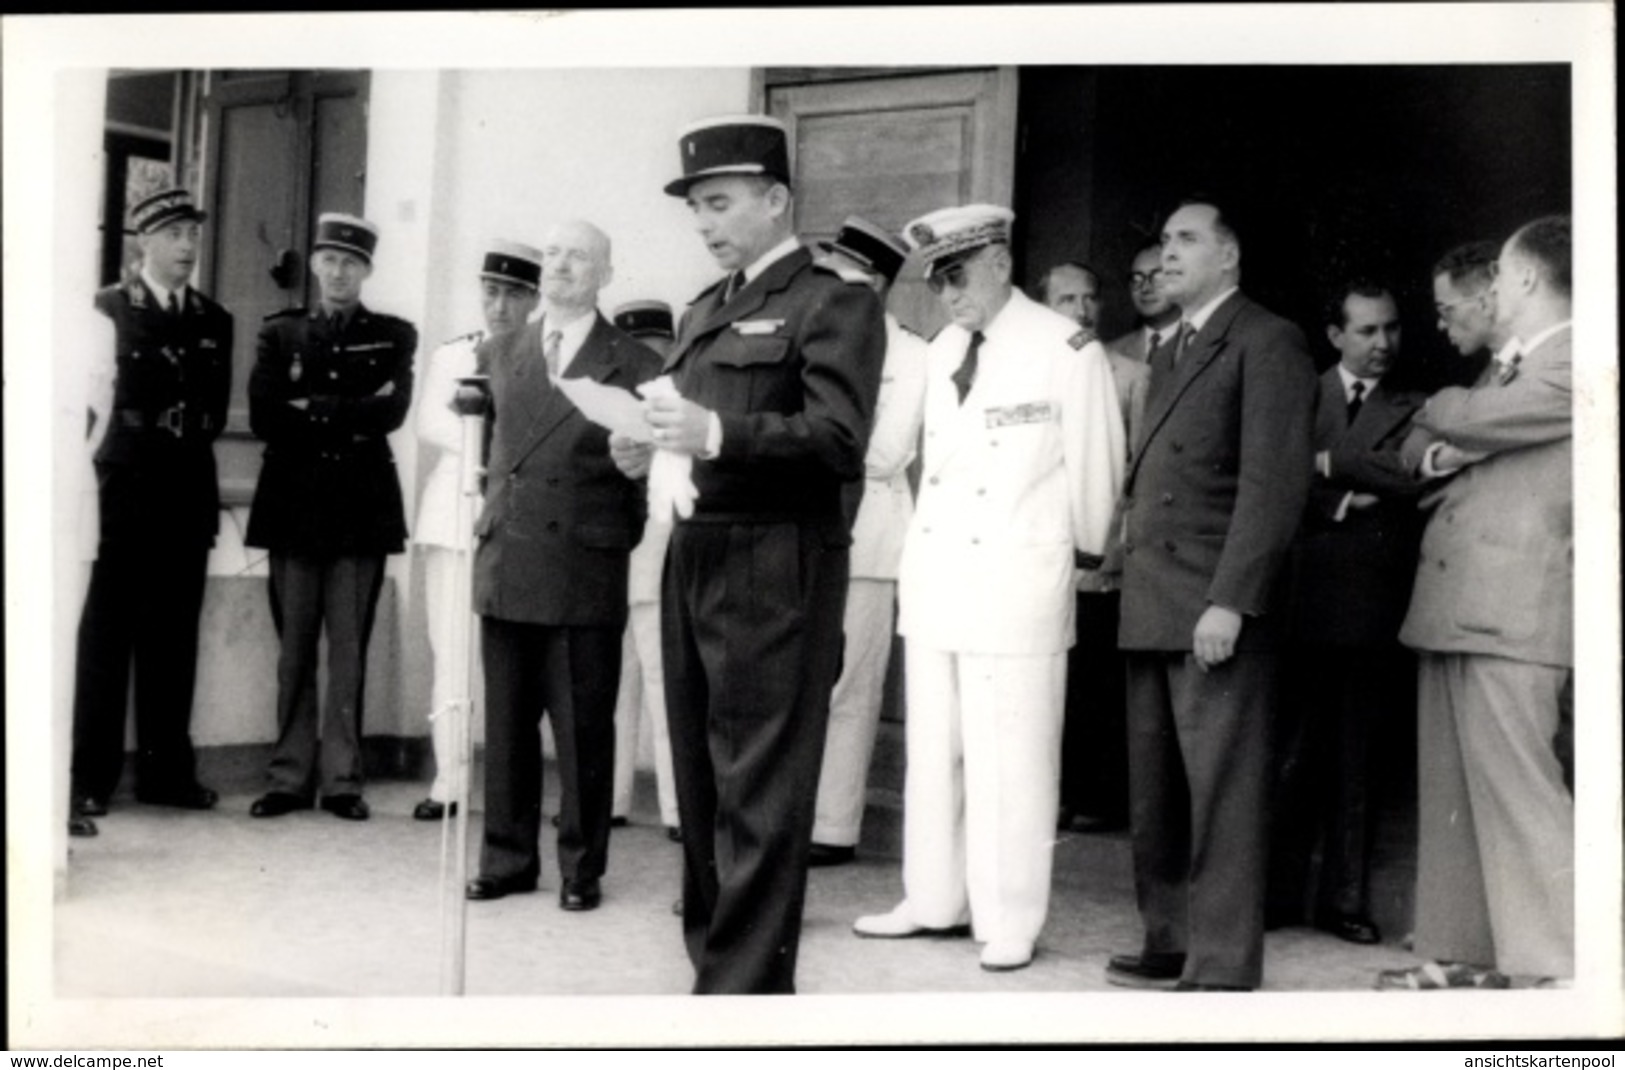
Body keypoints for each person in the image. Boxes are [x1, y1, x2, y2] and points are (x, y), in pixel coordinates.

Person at [613, 114, 885, 993]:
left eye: (721, 203)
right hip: (696, 553)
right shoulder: (705, 308)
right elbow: (690, 432)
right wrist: (651, 443)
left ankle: (743, 998)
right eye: (697, 207)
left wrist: (715, 429)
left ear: (777, 201)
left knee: (759, 791)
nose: (705, 222)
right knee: (699, 782)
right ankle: (714, 973)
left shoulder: (831, 299)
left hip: (775, 562)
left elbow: (839, 440)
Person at [853, 205, 1126, 972]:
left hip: (1015, 579)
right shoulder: (941, 350)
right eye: (937, 280)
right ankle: (931, 897)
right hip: (939, 576)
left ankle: (1010, 917)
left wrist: (1071, 558)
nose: (947, 294)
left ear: (1000, 265)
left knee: (1012, 759)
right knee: (932, 753)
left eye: (959, 274)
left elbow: (1096, 476)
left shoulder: (1064, 349)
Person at [1104, 198, 1316, 992]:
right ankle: (1169, 937)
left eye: (1185, 240)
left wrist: (1231, 600)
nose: (1166, 255)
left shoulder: (1265, 339)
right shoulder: (1171, 350)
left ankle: (1221, 960)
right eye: (1161, 240)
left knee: (1223, 792)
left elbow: (1271, 485)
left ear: (1228, 256)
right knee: (1156, 790)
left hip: (1211, 607)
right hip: (1154, 598)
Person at [1379, 216, 1574, 990]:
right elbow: (1410, 445)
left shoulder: (1574, 357)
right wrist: (1438, 441)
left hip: (1516, 606)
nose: (1493, 283)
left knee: (1520, 792)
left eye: (1501, 269)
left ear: (1525, 276)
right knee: (1456, 793)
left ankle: (1562, 967)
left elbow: (1461, 416)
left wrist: (1444, 412)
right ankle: (1466, 952)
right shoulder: (1513, 367)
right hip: (1461, 600)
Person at [461, 221, 661, 912]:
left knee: (582, 731)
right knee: (508, 727)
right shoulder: (501, 349)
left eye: (578, 256)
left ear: (605, 274)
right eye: (551, 254)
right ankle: (507, 858)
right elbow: (489, 451)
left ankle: (581, 868)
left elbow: (648, 475)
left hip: (582, 563)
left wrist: (616, 527)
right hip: (510, 557)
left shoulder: (633, 362)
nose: (560, 266)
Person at [1267, 280, 1427, 945]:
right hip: (1297, 602)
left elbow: (1415, 475)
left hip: (1370, 608)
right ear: (1334, 335)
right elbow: (1267, 474)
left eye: (1390, 328)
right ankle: (1273, 894)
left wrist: (1331, 461)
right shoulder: (1295, 392)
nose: (1382, 343)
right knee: (1289, 751)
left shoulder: (1414, 403)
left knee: (1357, 757)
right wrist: (1339, 499)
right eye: (1366, 331)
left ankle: (1344, 899)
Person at [245, 212, 417, 822]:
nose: (339, 270)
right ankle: (288, 777)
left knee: (347, 649)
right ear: (315, 265)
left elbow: (392, 412)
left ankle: (343, 780)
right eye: (329, 259)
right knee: (293, 650)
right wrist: (349, 410)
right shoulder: (280, 333)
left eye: (351, 261)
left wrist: (311, 407)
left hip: (359, 509)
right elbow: (266, 413)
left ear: (367, 270)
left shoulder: (395, 334)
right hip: (293, 505)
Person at [70, 187, 233, 832]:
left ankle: (167, 774)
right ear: (143, 242)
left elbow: (215, 411)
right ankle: (89, 779)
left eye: (193, 234)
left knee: (174, 638)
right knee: (104, 638)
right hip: (123, 487)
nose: (187, 247)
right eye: (173, 235)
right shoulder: (106, 309)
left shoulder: (214, 319)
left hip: (186, 489)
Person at [806, 217, 928, 867]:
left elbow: (884, 452)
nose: (827, 282)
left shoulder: (909, 353)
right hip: (803, 526)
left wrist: (802, 445)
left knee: (850, 688)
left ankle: (832, 825)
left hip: (869, 537)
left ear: (875, 283)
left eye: (843, 273)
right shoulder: (816, 335)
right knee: (800, 683)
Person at [409, 240, 542, 822]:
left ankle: (514, 791)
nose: (499, 306)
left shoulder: (546, 357)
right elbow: (432, 421)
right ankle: (450, 782)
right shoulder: (455, 355)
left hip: (521, 524)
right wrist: (488, 445)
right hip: (458, 518)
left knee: (515, 664)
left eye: (514, 295)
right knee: (453, 656)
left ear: (534, 300)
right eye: (491, 292)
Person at [1045, 255, 1151, 834]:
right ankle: (1051, 792)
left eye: (1089, 298)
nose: (1081, 310)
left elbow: (1135, 472)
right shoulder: (1030, 369)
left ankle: (1096, 795)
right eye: (1067, 300)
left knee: (1095, 683)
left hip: (1103, 557)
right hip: (1041, 552)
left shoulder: (1129, 374)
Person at [608, 299, 681, 840]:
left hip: (658, 561)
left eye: (658, 351)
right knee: (610, 688)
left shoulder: (681, 403)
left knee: (664, 685)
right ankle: (607, 800)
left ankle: (679, 808)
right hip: (609, 559)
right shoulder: (604, 402)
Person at [1106, 242, 1184, 363]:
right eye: (1137, 279)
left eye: (1158, 277)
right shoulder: (1110, 352)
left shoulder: (1204, 345)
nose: (1145, 288)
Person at [1034, 261, 1104, 344]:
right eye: (1068, 300)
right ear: (1044, 309)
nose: (1082, 312)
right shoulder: (1029, 354)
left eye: (1090, 298)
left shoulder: (1110, 356)